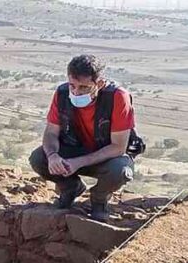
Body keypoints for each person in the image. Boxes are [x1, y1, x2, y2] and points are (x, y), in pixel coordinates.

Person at [30, 54, 142, 223]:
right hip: (74, 150)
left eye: (83, 87)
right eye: (72, 86)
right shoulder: (62, 94)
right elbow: (51, 133)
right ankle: (71, 188)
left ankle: (99, 199)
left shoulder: (118, 97)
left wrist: (79, 162)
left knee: (120, 171)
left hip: (107, 156)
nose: (75, 92)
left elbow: (118, 147)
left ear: (100, 84)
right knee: (39, 158)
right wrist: (53, 156)